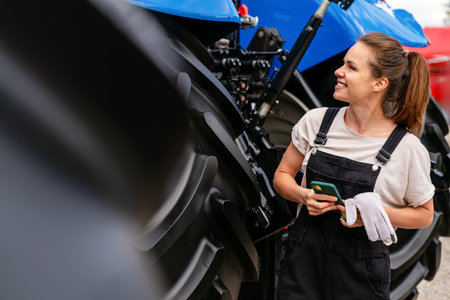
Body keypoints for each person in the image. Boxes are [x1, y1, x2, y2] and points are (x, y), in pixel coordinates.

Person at [273, 32, 435, 300]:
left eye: (351, 67)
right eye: (343, 63)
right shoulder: (316, 123)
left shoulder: (406, 148)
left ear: (379, 83)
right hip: (303, 262)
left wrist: (376, 214)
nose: (338, 71)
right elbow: (282, 176)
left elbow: (424, 215)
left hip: (361, 273)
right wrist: (303, 195)